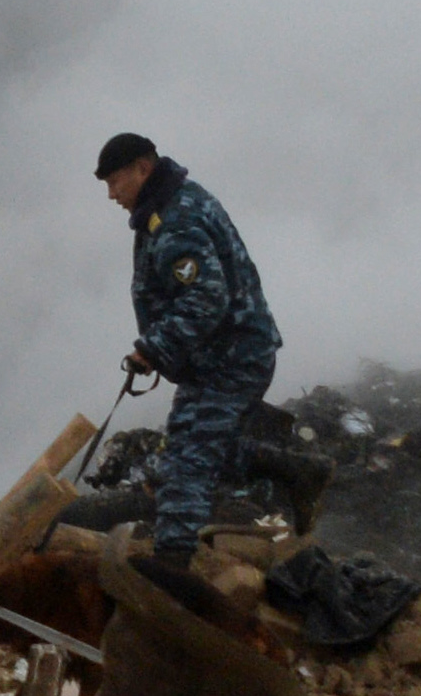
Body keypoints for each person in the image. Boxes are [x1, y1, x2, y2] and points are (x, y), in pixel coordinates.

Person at [97, 131, 282, 565]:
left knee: (184, 465)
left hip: (231, 359)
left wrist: (155, 348)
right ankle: (293, 471)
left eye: (115, 181)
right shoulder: (167, 207)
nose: (111, 195)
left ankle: (172, 572)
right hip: (221, 358)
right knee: (202, 448)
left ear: (143, 169)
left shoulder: (177, 217)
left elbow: (206, 297)